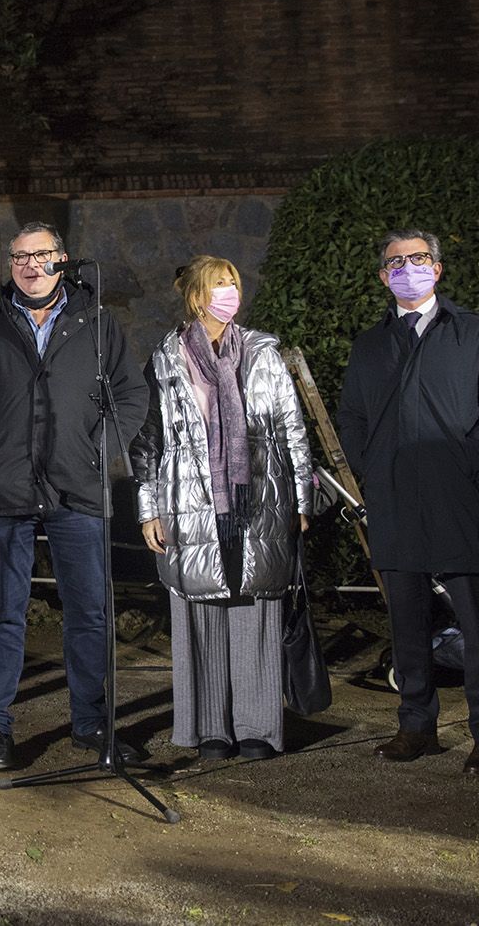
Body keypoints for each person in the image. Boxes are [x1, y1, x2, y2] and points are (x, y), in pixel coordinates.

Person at [0, 223, 146, 772]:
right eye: (19, 256)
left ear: (63, 259)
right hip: (4, 487)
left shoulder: (97, 323)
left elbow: (130, 393)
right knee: (3, 613)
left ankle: (91, 723)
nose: (30, 265)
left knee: (88, 613)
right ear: (10, 264)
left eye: (41, 255)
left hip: (79, 484)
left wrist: (98, 449)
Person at [337, 229, 479, 779]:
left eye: (418, 259)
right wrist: (371, 466)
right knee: (407, 621)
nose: (408, 268)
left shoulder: (475, 334)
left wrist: (467, 458)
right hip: (394, 498)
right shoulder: (371, 345)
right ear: (382, 276)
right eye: (396, 262)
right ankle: (415, 724)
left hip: (458, 498)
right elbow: (351, 416)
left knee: (477, 620)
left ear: (438, 270)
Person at [133, 256, 313, 762]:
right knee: (200, 611)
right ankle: (209, 727)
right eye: (220, 285)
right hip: (190, 501)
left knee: (256, 609)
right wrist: (148, 508)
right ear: (196, 297)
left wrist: (302, 497)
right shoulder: (166, 359)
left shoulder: (262, 353)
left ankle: (257, 727)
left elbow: (291, 427)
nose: (231, 292)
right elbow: (146, 439)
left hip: (257, 499)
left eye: (233, 283)